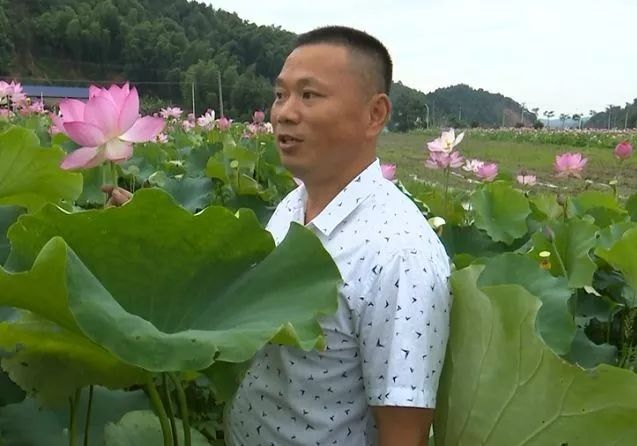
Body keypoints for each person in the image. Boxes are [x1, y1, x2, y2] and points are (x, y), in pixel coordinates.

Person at [104, 25, 452, 446]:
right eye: (280, 94)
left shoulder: (401, 253)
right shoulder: (294, 205)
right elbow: (241, 302)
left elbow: (404, 436)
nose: (284, 113)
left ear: (374, 114)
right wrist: (155, 232)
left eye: (309, 95)